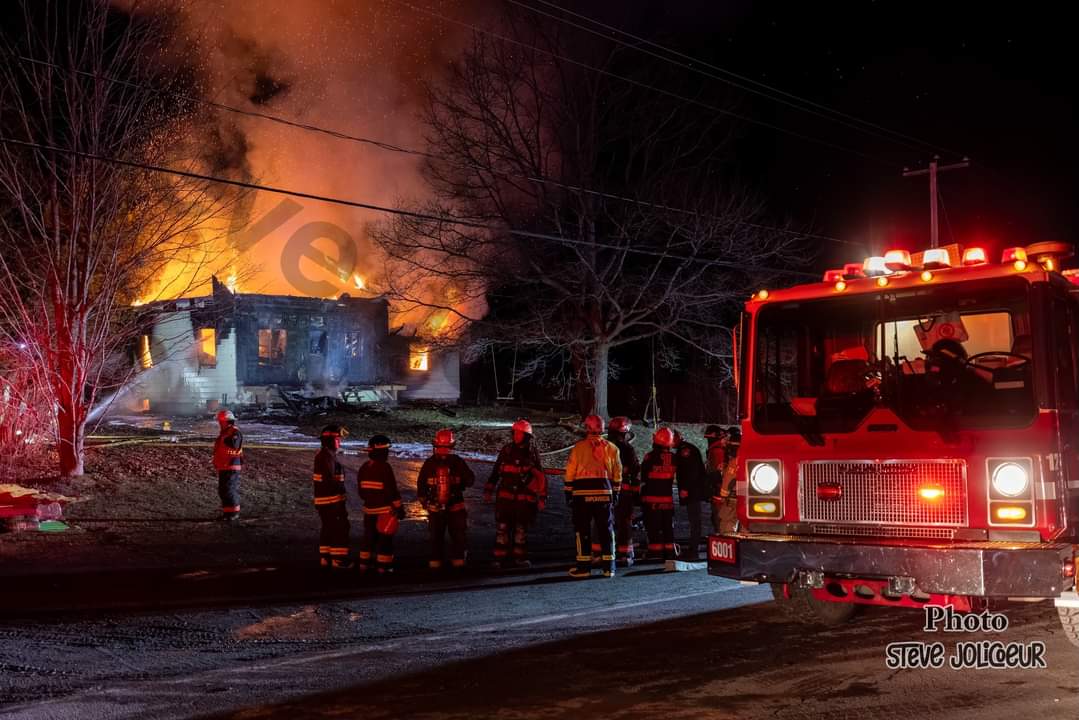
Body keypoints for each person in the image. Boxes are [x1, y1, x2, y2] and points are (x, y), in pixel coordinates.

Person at [563, 414, 622, 578]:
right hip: (604, 494)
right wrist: (616, 492)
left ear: (587, 428)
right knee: (606, 529)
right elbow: (617, 473)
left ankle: (583, 568)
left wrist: (568, 491)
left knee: (582, 530)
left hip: (581, 495)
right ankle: (609, 568)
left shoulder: (578, 448)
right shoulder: (612, 448)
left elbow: (570, 471)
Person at [485, 419, 547, 569]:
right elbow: (496, 471)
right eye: (515, 433)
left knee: (521, 529)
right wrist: (489, 489)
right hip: (505, 498)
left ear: (526, 436)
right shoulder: (506, 450)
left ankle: (520, 558)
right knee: (502, 528)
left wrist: (542, 497)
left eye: (520, 434)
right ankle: (499, 558)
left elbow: (540, 476)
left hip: (523, 499)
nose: (516, 436)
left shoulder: (532, 453)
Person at [417, 429, 475, 571]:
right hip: (452, 508)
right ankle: (455, 564)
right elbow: (470, 480)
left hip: (443, 508)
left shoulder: (430, 463)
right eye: (442, 447)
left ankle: (438, 564)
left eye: (444, 447)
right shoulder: (457, 462)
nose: (443, 450)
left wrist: (424, 501)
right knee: (456, 537)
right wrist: (459, 482)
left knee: (438, 538)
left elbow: (421, 486)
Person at [357, 434, 403, 575]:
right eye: (386, 450)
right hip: (385, 511)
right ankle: (384, 567)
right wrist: (399, 508)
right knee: (385, 540)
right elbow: (392, 491)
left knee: (368, 538)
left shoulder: (364, 467)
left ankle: (364, 565)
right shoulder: (385, 467)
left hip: (369, 510)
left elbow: (361, 492)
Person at [639, 427, 679, 565]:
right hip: (667, 499)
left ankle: (655, 552)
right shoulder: (674, 458)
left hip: (651, 500)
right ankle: (669, 552)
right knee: (668, 526)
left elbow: (643, 476)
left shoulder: (650, 457)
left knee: (653, 527)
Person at [313, 424, 350, 569]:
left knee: (328, 527)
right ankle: (338, 560)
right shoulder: (327, 457)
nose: (339, 442)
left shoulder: (325, 455)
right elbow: (330, 480)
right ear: (331, 441)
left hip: (326, 500)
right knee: (340, 528)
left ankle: (326, 558)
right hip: (332, 501)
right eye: (338, 439)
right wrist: (339, 495)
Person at [607, 416, 640, 567]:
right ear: (624, 432)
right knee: (625, 522)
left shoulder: (604, 447)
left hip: (606, 490)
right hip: (624, 492)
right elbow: (635, 471)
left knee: (604, 522)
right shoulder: (627, 449)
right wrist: (636, 492)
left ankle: (603, 553)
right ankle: (625, 554)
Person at [673, 429, 707, 561]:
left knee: (695, 520)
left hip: (693, 491)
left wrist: (685, 488)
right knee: (694, 520)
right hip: (693, 489)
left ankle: (694, 550)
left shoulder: (685, 450)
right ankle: (693, 548)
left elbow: (691, 471)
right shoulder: (685, 449)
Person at [212, 409, 243, 522]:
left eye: (220, 421)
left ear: (226, 421)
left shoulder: (234, 432)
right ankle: (227, 513)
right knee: (223, 490)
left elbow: (234, 445)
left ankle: (234, 513)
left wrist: (225, 439)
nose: (219, 423)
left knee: (229, 490)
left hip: (231, 465)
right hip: (225, 465)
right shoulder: (225, 433)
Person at [712, 426, 741, 534]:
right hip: (746, 497)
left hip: (733, 497)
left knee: (727, 523)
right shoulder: (748, 458)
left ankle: (729, 541)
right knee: (745, 524)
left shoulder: (734, 462)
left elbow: (728, 479)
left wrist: (723, 496)